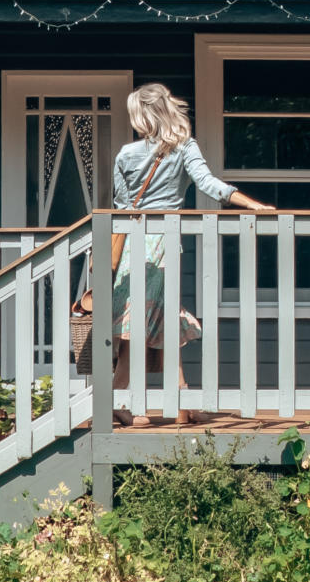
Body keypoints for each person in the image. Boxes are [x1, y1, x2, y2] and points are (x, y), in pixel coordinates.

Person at [105, 83, 271, 415]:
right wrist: (250, 203)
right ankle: (146, 400)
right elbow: (209, 184)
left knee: (144, 322)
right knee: (147, 323)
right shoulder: (183, 148)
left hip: (132, 244)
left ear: (142, 116)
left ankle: (174, 401)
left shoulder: (125, 154)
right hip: (163, 244)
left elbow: (121, 206)